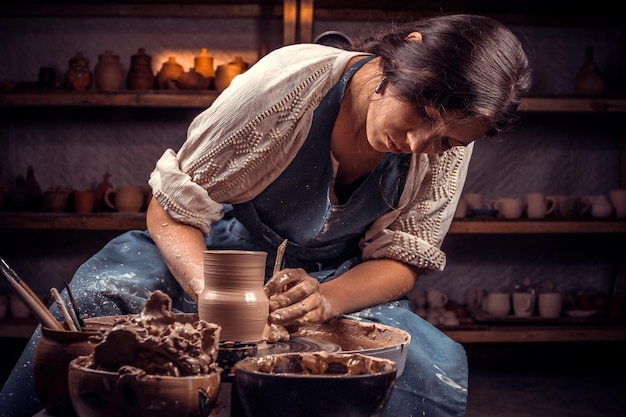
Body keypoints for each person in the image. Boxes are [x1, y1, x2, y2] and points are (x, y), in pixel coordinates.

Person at [0, 13, 531, 417]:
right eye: (423, 114)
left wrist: (324, 301)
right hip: (217, 259)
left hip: (332, 281)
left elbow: (402, 257)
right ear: (408, 56)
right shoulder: (290, 83)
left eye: (446, 140)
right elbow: (171, 205)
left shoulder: (453, 136)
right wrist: (212, 288)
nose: (418, 144)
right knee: (107, 290)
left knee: (433, 366)